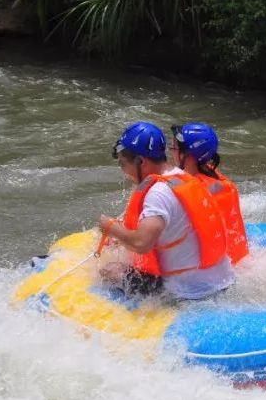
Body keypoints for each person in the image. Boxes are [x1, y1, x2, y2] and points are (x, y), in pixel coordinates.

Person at [98, 121, 234, 300]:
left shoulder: (158, 194)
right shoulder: (183, 176)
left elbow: (142, 243)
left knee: (108, 271)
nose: (124, 171)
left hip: (187, 291)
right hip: (220, 280)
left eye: (123, 164)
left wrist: (109, 227)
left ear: (141, 161)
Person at [170, 122, 249, 265]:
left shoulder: (191, 190)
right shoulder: (216, 178)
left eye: (173, 148)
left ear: (187, 155)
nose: (171, 152)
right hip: (238, 260)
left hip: (215, 269)